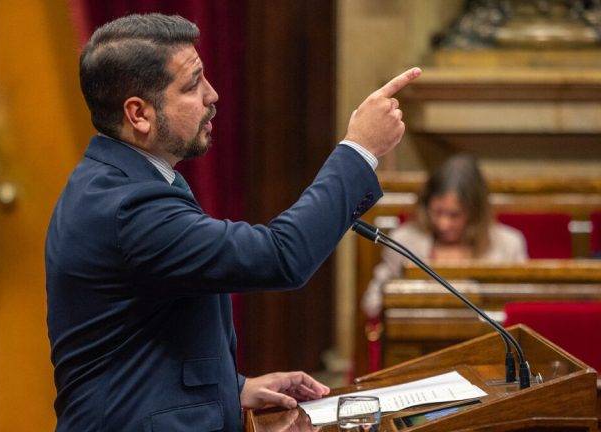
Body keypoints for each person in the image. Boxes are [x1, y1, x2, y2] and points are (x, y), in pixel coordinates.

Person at [46, 13, 420, 431]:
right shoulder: (130, 206)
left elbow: (141, 342)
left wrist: (230, 386)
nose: (213, 95)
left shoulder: (126, 180)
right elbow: (281, 256)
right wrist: (360, 150)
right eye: (192, 85)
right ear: (139, 113)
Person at [361, 154, 528, 318]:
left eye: (454, 215)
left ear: (475, 212)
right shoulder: (403, 240)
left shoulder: (509, 244)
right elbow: (372, 303)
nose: (443, 224)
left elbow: (521, 310)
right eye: (437, 212)